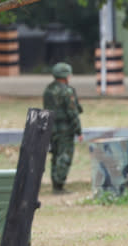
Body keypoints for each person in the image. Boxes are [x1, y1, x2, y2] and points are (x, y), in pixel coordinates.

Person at [43, 62, 83, 192]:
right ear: (66, 75)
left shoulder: (48, 90)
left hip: (51, 128)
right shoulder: (67, 91)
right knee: (65, 155)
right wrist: (79, 131)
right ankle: (59, 185)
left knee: (56, 155)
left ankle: (55, 183)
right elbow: (73, 113)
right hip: (65, 129)